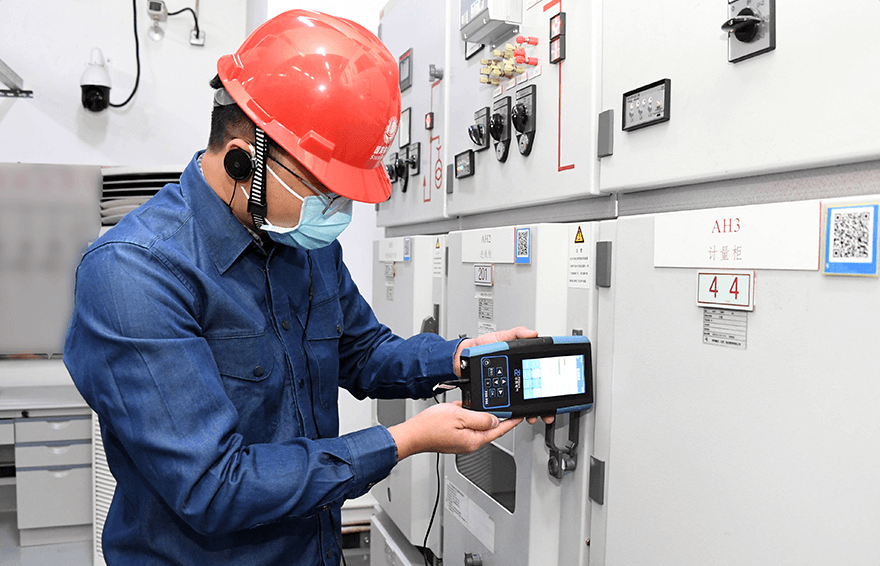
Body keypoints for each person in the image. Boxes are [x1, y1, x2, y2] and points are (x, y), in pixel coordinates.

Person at [64, 10, 548, 565]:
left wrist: (461, 358)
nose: (336, 209)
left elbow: (363, 352)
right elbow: (213, 486)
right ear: (244, 156)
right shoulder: (133, 274)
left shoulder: (302, 242)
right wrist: (402, 441)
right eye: (323, 186)